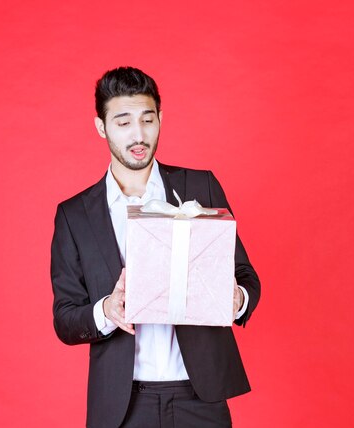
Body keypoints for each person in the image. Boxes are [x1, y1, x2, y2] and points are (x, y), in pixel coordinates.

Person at [50, 66, 261, 428]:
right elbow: (66, 318)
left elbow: (245, 276)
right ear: (101, 127)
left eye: (148, 120)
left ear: (161, 119)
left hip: (201, 397)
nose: (138, 134)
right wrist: (107, 310)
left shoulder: (200, 186)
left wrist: (237, 298)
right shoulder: (74, 215)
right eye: (123, 122)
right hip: (122, 405)